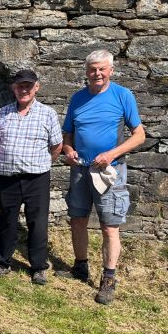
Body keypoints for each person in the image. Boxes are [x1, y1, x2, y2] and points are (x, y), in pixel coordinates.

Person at [60, 49, 146, 304]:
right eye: (92, 69)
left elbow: (139, 135)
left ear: (110, 71)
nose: (97, 74)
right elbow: (68, 135)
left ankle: (108, 279)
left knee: (109, 226)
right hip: (80, 170)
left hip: (110, 172)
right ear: (86, 72)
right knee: (77, 219)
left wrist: (111, 154)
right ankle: (80, 266)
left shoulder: (122, 95)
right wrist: (68, 150)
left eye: (101, 69)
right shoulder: (77, 98)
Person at [0, 69, 63, 285]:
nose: (24, 90)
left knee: (37, 224)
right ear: (13, 88)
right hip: (8, 178)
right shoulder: (3, 113)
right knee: (7, 221)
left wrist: (44, 162)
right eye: (20, 86)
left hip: (36, 178)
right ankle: (2, 262)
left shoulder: (47, 114)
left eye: (28, 86)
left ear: (36, 87)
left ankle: (38, 267)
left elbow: (57, 145)